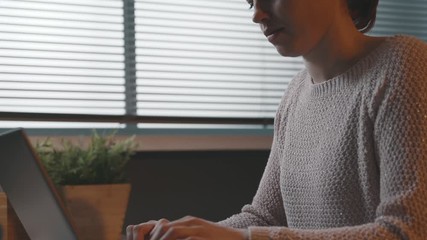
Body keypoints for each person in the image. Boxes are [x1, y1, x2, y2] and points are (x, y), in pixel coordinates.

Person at [126, 0, 427, 239]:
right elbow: (264, 217)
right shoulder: (294, 95)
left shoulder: (404, 67)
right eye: (250, 1)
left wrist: (244, 238)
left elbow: (407, 231)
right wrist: (186, 234)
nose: (258, 14)